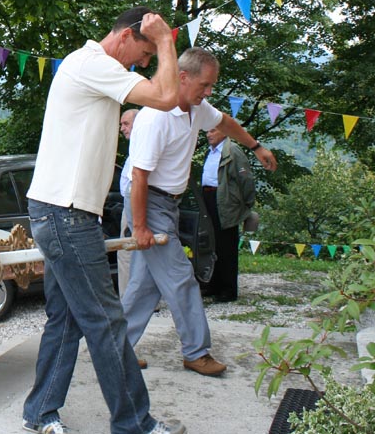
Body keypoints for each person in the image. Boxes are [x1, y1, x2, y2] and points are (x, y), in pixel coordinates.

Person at [22, 6, 185, 434]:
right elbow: (167, 97)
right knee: (106, 320)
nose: (146, 63)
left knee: (68, 318)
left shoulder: (89, 66)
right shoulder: (95, 64)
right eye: (145, 53)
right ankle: (135, 424)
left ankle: (40, 411)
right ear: (128, 35)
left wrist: (158, 43)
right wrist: (165, 41)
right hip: (66, 214)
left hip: (57, 210)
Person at [122, 48, 277, 378]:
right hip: (148, 202)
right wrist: (140, 227)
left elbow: (226, 122)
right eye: (204, 85)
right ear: (182, 77)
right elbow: (139, 177)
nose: (209, 92)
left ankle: (115, 350)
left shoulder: (196, 108)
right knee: (181, 279)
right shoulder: (156, 117)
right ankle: (196, 352)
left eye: (211, 86)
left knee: (144, 285)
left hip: (168, 203)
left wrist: (256, 147)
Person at [200, 126, 256, 303]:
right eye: (207, 131)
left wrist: (245, 203)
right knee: (212, 243)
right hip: (208, 198)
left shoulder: (233, 151)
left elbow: (246, 179)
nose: (208, 134)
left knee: (226, 245)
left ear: (224, 131)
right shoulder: (210, 152)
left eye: (212, 131)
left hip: (225, 201)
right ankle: (212, 284)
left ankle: (228, 289)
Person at [117, 108, 139, 297]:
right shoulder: (135, 148)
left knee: (127, 251)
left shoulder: (141, 148)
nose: (122, 128)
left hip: (135, 204)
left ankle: (128, 299)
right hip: (130, 203)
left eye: (126, 124)